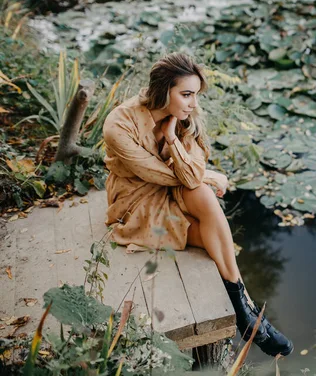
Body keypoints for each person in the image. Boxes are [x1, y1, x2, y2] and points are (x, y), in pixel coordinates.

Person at [102, 52, 293, 357]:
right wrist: (207, 176)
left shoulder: (183, 117)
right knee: (208, 229)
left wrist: (173, 139)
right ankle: (250, 313)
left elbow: (191, 178)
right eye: (187, 94)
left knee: (203, 195)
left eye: (196, 94)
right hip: (136, 203)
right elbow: (160, 174)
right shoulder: (119, 125)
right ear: (164, 91)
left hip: (173, 188)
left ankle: (245, 310)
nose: (193, 103)